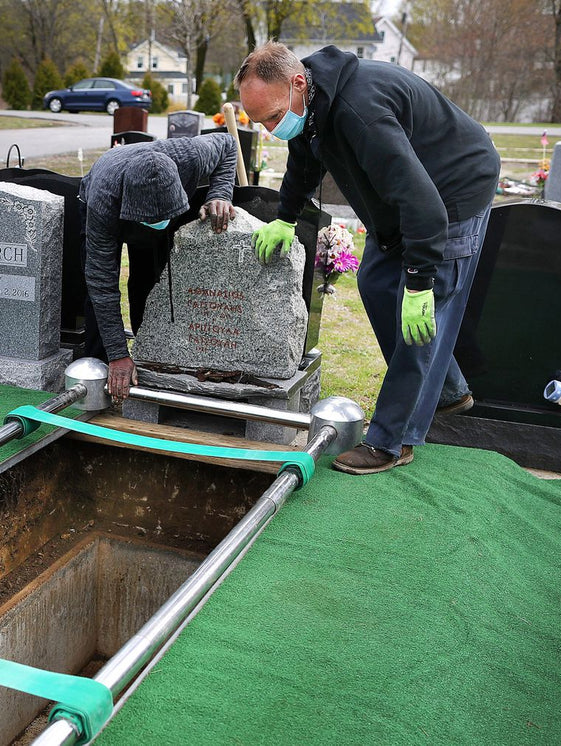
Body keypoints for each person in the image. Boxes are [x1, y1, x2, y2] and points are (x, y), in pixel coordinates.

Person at [236, 42, 500, 475]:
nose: (269, 129)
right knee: (375, 283)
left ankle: (392, 441)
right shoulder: (312, 105)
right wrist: (284, 217)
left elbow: (426, 207)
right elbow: (305, 161)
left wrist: (419, 283)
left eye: (272, 117)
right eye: (260, 120)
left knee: (415, 322)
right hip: (403, 200)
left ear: (298, 83)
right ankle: (449, 390)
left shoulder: (362, 113)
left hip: (452, 194)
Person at [80, 133, 238, 403]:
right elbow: (101, 281)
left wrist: (220, 193)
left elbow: (228, 144)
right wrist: (118, 354)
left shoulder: (192, 156)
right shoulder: (103, 200)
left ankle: (150, 355)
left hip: (151, 195)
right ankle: (98, 371)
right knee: (96, 299)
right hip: (104, 198)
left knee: (149, 281)